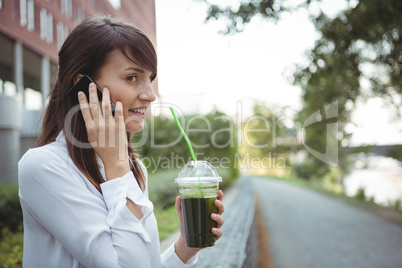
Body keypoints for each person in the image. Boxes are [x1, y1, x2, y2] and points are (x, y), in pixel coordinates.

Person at [18, 15, 225, 268]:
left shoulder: (132, 169)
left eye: (150, 79)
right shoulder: (43, 167)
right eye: (132, 78)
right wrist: (118, 170)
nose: (150, 95)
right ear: (84, 87)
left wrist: (186, 247)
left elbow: (141, 262)